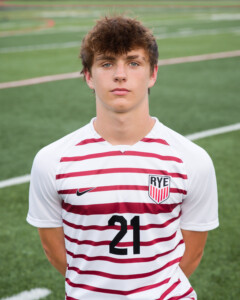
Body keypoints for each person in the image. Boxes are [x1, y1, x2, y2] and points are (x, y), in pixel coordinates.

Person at [27, 16, 219, 300]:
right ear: (89, 76)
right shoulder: (52, 161)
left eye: (133, 62)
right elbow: (54, 249)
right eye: (106, 63)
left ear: (152, 73)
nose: (120, 74)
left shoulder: (192, 160)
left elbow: (193, 252)